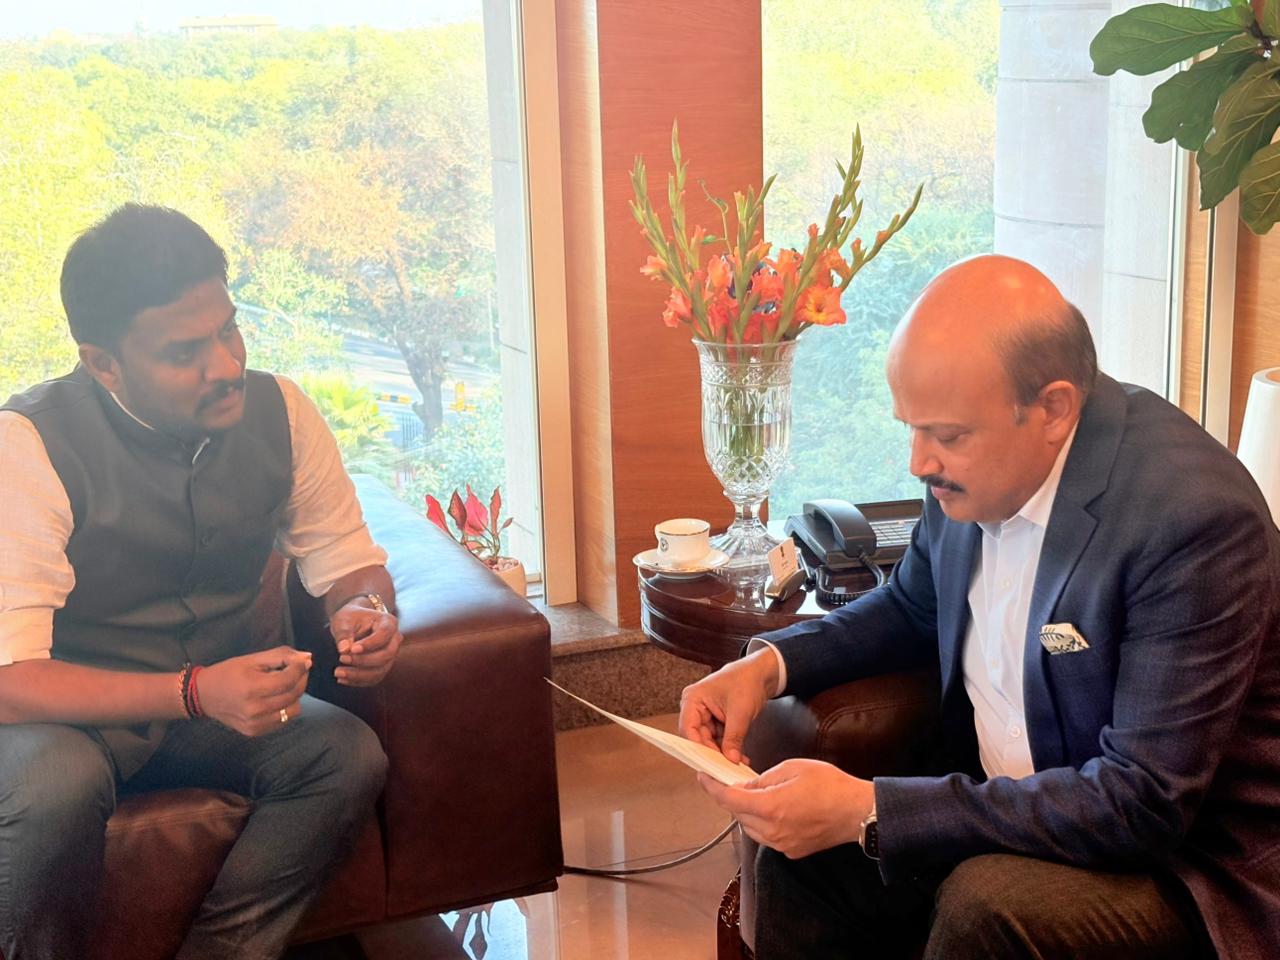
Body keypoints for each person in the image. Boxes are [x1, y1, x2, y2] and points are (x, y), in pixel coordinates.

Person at [680, 255, 1280, 960]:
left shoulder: (1191, 521)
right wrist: (768, 666)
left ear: (1053, 409)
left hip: (1183, 868)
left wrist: (869, 810)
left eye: (946, 435)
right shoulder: (972, 470)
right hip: (1015, 808)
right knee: (806, 864)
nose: (918, 462)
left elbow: (1142, 802)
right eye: (911, 428)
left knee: (986, 904)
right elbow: (911, 606)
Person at [0, 204, 403, 960]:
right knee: (55, 784)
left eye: (229, 330)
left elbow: (345, 556)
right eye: (184, 352)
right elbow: (12, 684)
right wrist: (196, 690)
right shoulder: (28, 446)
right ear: (104, 364)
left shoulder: (282, 411)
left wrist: (366, 607)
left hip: (206, 707)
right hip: (61, 722)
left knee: (343, 755)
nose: (224, 366)